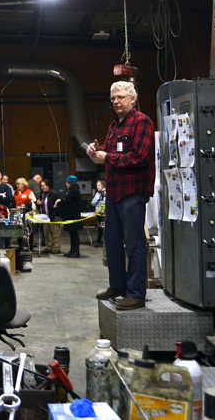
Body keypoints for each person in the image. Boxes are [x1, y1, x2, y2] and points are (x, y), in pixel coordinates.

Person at [87, 81, 155, 310]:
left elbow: (140, 157)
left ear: (132, 99)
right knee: (112, 241)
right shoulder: (114, 126)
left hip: (133, 193)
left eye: (121, 97)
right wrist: (94, 151)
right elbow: (106, 152)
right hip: (114, 193)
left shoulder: (142, 122)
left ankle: (136, 294)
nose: (116, 101)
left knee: (134, 244)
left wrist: (107, 158)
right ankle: (117, 286)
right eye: (113, 98)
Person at [55, 175, 83, 258]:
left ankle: (76, 251)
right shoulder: (71, 191)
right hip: (70, 216)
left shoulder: (74, 192)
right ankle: (72, 250)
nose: (66, 184)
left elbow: (67, 201)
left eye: (67, 183)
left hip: (73, 217)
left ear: (71, 183)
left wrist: (59, 202)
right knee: (72, 234)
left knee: (74, 235)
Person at [39, 179, 61, 254]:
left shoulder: (54, 194)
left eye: (43, 186)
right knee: (47, 233)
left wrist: (54, 214)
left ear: (48, 186)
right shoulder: (42, 194)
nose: (42, 187)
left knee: (55, 233)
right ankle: (49, 247)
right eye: (41, 186)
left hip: (54, 216)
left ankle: (56, 248)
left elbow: (59, 205)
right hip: (45, 217)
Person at [91, 180, 107, 248]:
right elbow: (93, 202)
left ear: (103, 186)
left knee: (106, 228)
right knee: (100, 227)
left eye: (99, 185)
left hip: (105, 213)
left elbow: (106, 202)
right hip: (98, 213)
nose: (97, 187)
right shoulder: (97, 194)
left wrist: (100, 202)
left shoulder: (106, 193)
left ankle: (106, 242)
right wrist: (98, 200)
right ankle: (98, 241)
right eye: (97, 185)